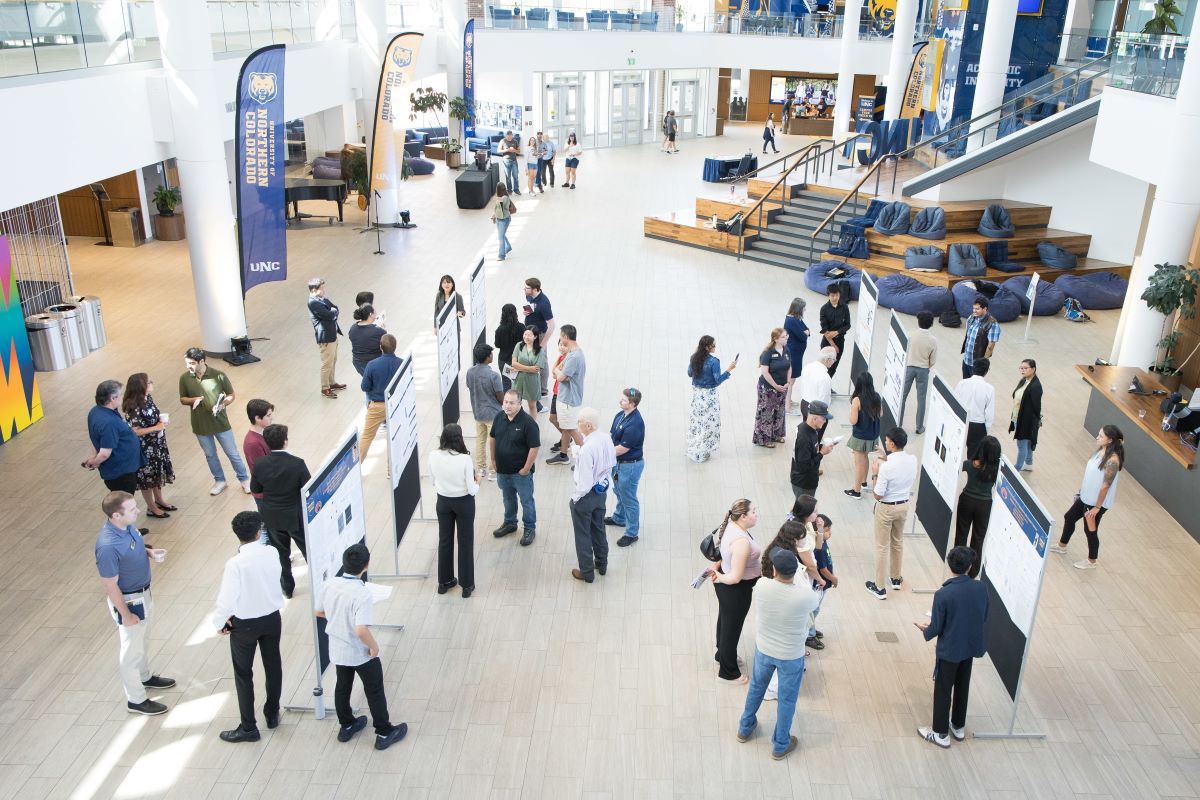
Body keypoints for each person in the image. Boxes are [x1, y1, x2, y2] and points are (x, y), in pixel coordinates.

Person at [314, 544, 408, 751]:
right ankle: (384, 731)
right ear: (366, 565)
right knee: (374, 689)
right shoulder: (362, 594)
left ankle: (347, 725)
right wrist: (374, 647)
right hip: (360, 651)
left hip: (337, 649)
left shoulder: (330, 584)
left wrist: (338, 619)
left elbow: (318, 612)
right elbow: (361, 630)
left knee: (342, 685)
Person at [735, 546, 818, 760]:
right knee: (787, 699)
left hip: (764, 649)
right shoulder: (805, 596)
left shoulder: (762, 586)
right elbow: (812, 601)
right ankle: (780, 745)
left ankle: (745, 728)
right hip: (791, 655)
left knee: (756, 688)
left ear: (774, 570)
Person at [95, 491, 174, 716]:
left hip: (143, 592)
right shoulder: (107, 546)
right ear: (116, 515)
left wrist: (148, 553)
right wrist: (126, 614)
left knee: (143, 640)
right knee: (131, 649)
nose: (138, 511)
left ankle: (145, 676)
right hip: (129, 600)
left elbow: (135, 546)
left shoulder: (127, 527)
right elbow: (110, 585)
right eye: (132, 509)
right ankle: (136, 699)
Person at [211, 510, 284, 743]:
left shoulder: (235, 563)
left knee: (244, 674)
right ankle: (272, 713)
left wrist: (219, 623)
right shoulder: (271, 552)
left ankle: (249, 727)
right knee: (273, 665)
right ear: (258, 532)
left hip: (245, 625)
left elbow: (227, 599)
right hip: (272, 618)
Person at [916, 546, 989, 748]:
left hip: (949, 650)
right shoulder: (981, 588)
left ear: (950, 566)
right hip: (970, 647)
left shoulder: (943, 594)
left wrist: (925, 629)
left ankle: (940, 733)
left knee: (943, 690)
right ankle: (958, 726)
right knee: (962, 686)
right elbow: (984, 615)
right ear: (970, 566)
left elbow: (936, 627)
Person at [1049, 424, 1124, 569]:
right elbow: (1092, 474)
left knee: (1090, 530)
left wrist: (1097, 507)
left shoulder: (1113, 460)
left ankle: (1092, 561)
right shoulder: (1100, 451)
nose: (1097, 437)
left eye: (1101, 436)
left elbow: (1105, 485)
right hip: (1085, 496)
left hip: (1095, 503)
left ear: (1110, 440)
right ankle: (1062, 545)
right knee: (1069, 517)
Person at [250, 424, 311, 598]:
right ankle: (318, 582)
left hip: (272, 516)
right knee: (308, 550)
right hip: (295, 516)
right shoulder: (297, 464)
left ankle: (288, 588)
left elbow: (255, 487)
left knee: (281, 554)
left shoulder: (260, 464)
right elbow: (308, 489)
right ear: (285, 441)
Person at [178, 348, 251, 495]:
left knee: (232, 453)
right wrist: (194, 400)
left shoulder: (218, 375)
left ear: (202, 361)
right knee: (210, 455)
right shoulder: (185, 378)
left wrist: (224, 403)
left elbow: (231, 394)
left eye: (191, 363)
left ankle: (244, 479)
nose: (188, 366)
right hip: (200, 424)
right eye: (187, 363)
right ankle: (220, 480)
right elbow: (182, 398)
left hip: (220, 422)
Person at [710, 499, 762, 684]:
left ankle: (722, 655)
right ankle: (728, 672)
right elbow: (735, 577)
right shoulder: (741, 542)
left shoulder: (731, 525)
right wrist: (719, 576)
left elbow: (725, 556)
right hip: (735, 590)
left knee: (725, 622)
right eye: (754, 512)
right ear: (743, 516)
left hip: (727, 585)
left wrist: (718, 572)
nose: (757, 514)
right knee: (732, 629)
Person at [865, 427, 918, 599]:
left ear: (893, 444)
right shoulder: (912, 460)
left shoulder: (886, 468)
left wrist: (875, 474)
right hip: (903, 506)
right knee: (897, 542)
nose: (885, 442)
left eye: (887, 440)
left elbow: (877, 494)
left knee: (881, 546)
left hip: (886, 508)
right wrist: (885, 457)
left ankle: (879, 587)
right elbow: (898, 466)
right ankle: (895, 578)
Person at [430, 424, 478, 597]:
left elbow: (432, 480)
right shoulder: (465, 459)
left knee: (444, 541)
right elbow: (472, 490)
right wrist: (478, 480)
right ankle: (466, 585)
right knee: (465, 542)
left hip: (442, 501)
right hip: (463, 503)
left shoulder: (433, 455)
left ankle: (444, 582)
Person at [569, 408, 617, 583]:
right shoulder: (606, 439)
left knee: (582, 534)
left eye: (579, 421)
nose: (577, 424)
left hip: (586, 496)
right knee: (598, 529)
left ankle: (587, 572)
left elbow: (584, 481)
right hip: (601, 492)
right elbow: (611, 463)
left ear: (588, 425)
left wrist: (575, 499)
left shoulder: (587, 448)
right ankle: (601, 564)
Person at [121, 374, 176, 519]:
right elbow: (135, 431)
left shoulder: (148, 399)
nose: (152, 383)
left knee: (156, 474)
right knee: (147, 478)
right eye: (148, 382)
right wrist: (156, 427)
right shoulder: (134, 407)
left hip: (157, 444)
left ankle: (159, 500)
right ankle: (151, 507)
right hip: (145, 448)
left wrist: (159, 422)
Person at [490, 390, 541, 547]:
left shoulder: (528, 423)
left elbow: (534, 447)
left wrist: (526, 469)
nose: (507, 405)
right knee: (507, 498)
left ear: (520, 403)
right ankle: (510, 523)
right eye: (505, 402)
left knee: (526, 500)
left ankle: (529, 528)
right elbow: (492, 437)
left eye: (511, 402)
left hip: (521, 474)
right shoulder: (499, 417)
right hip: (503, 471)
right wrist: (492, 459)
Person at [85, 380, 144, 497]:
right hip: (120, 472)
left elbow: (95, 438)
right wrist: (94, 462)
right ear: (112, 398)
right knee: (123, 504)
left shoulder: (96, 411)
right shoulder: (108, 423)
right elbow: (104, 453)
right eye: (120, 395)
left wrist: (93, 456)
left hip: (122, 468)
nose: (122, 397)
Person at [953, 436, 1001, 578]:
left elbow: (957, 467)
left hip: (967, 501)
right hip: (985, 505)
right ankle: (973, 571)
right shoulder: (997, 470)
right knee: (978, 539)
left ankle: (958, 565)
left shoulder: (970, 464)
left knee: (961, 534)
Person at [687, 335, 737, 462]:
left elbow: (689, 373)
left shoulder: (694, 358)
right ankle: (704, 450)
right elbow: (717, 380)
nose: (715, 347)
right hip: (709, 397)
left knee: (697, 422)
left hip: (697, 396)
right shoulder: (714, 362)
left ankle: (694, 447)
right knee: (709, 424)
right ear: (707, 347)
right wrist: (729, 370)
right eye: (713, 345)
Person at [606, 388, 645, 548]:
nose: (620, 402)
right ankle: (619, 518)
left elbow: (622, 448)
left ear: (633, 404)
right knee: (619, 491)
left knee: (629, 498)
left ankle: (632, 533)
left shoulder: (635, 424)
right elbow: (612, 435)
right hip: (618, 463)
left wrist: (601, 452)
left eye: (623, 400)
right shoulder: (620, 415)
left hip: (630, 466)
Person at [548, 324, 586, 465]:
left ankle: (587, 458)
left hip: (568, 400)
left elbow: (559, 376)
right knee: (566, 427)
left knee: (571, 429)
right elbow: (558, 371)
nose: (560, 339)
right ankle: (563, 455)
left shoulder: (573, 356)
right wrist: (560, 372)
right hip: (569, 398)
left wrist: (560, 373)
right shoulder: (574, 353)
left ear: (565, 336)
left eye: (560, 336)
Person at [359, 334, 402, 459]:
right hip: (395, 405)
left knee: (367, 436)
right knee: (395, 437)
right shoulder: (402, 363)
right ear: (395, 347)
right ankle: (392, 471)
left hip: (377, 406)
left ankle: (358, 466)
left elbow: (364, 387)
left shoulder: (372, 365)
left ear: (380, 347)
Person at [466, 343, 504, 481]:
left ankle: (481, 468)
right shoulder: (493, 376)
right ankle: (493, 471)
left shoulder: (470, 372)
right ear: (488, 357)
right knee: (494, 441)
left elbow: (470, 387)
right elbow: (500, 397)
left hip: (478, 412)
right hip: (493, 414)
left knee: (480, 440)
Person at [844, 372, 882, 498]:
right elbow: (880, 414)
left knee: (859, 463)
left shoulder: (857, 400)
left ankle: (856, 491)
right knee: (865, 458)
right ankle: (864, 482)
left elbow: (853, 421)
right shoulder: (877, 397)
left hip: (860, 436)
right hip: (872, 435)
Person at [752, 327, 791, 448]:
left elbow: (790, 366)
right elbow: (765, 372)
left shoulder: (786, 350)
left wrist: (788, 382)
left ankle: (776, 435)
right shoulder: (767, 353)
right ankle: (764, 438)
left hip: (782, 387)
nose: (786, 338)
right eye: (783, 337)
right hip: (768, 388)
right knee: (767, 413)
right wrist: (775, 386)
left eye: (786, 336)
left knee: (779, 412)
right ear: (776, 339)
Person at [900, 310, 937, 434]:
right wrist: (926, 366)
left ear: (918, 321)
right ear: (931, 324)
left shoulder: (910, 334)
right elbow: (933, 360)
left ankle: (898, 423)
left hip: (909, 367)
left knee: (902, 396)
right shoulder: (933, 340)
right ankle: (919, 427)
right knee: (921, 399)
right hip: (923, 369)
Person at [307, 278, 344, 399]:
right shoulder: (313, 303)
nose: (324, 290)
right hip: (326, 337)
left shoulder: (322, 299)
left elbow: (335, 307)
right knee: (327, 363)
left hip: (332, 334)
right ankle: (325, 387)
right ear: (314, 290)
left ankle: (331, 383)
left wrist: (333, 311)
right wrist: (333, 312)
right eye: (322, 288)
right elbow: (330, 313)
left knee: (333, 360)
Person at [791, 400, 834, 499]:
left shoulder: (811, 429)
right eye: (823, 418)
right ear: (814, 418)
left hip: (809, 480)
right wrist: (822, 453)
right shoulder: (804, 437)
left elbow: (810, 449)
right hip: (803, 483)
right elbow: (803, 466)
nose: (825, 421)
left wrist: (822, 447)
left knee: (802, 510)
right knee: (804, 512)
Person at [522, 277, 555, 397]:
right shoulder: (529, 295)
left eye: (527, 288)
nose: (524, 290)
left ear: (535, 289)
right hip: (530, 332)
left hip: (540, 335)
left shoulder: (544, 304)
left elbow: (552, 325)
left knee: (542, 360)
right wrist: (526, 313)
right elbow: (530, 304)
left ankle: (543, 389)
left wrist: (542, 344)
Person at [954, 357, 995, 453]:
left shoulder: (962, 383)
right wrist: (986, 430)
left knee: (955, 451)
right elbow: (989, 413)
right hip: (978, 426)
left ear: (973, 368)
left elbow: (955, 402)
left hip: (962, 420)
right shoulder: (989, 389)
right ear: (986, 371)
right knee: (974, 456)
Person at [1009, 359, 1042, 472]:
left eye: (1025, 368)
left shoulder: (1035, 387)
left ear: (1033, 369)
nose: (1022, 370)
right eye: (1021, 368)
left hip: (1025, 420)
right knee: (1027, 442)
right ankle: (1028, 463)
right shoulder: (1024, 380)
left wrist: (1034, 422)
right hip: (1018, 416)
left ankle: (1017, 468)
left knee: (1021, 443)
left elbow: (1036, 407)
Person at [243, 399, 274, 514]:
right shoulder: (253, 443)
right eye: (268, 415)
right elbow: (263, 472)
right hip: (265, 493)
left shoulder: (264, 432)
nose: (271, 418)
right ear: (257, 418)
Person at [797, 347, 836, 434]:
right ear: (828, 359)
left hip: (804, 403)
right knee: (814, 438)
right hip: (817, 410)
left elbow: (802, 386)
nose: (834, 362)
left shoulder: (808, 367)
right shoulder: (825, 377)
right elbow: (824, 399)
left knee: (805, 433)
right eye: (834, 359)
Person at [960, 295, 999, 379]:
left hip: (977, 365)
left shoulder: (992, 323)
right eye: (973, 308)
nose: (974, 311)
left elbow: (990, 346)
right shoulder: (971, 318)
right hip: (966, 360)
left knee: (975, 388)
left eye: (977, 309)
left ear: (985, 309)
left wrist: (983, 363)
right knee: (966, 384)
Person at [512, 326, 547, 417]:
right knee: (516, 403)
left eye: (529, 335)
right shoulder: (519, 345)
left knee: (532, 405)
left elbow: (537, 369)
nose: (526, 337)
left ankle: (532, 426)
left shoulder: (540, 350)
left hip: (532, 381)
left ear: (535, 337)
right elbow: (514, 363)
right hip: (518, 379)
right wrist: (529, 368)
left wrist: (520, 368)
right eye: (525, 334)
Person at [819, 283, 851, 381]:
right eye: (832, 295)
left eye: (837, 295)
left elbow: (848, 325)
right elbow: (825, 330)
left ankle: (827, 384)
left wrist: (837, 332)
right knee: (823, 365)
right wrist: (833, 346)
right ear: (828, 295)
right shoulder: (824, 309)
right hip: (827, 342)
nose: (835, 298)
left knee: (834, 366)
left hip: (840, 340)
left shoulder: (845, 307)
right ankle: (820, 383)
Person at [783, 298, 809, 414]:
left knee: (792, 380)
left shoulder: (796, 319)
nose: (805, 310)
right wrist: (806, 333)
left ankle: (788, 400)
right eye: (803, 308)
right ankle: (787, 407)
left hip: (797, 354)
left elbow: (807, 329)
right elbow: (803, 336)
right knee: (791, 380)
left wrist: (806, 332)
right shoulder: (791, 321)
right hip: (793, 354)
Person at [348, 303, 386, 377]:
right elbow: (386, 346)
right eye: (375, 312)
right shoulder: (377, 331)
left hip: (358, 363)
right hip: (374, 364)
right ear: (371, 314)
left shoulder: (353, 328)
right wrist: (383, 330)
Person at [494, 303, 525, 392]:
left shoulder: (499, 330)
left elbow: (497, 345)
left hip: (505, 361)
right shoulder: (521, 327)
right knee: (518, 383)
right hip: (518, 361)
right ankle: (518, 403)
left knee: (506, 383)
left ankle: (507, 403)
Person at [492, 185, 516, 261]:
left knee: (501, 237)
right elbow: (497, 209)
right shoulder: (500, 197)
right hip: (499, 219)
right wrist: (494, 215)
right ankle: (508, 247)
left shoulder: (505, 198)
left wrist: (497, 199)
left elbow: (501, 208)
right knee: (501, 235)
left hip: (504, 220)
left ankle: (501, 255)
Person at [498, 130, 521, 194]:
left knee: (515, 176)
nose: (510, 137)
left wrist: (514, 150)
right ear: (506, 135)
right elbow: (498, 151)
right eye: (508, 136)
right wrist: (507, 150)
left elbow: (519, 151)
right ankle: (509, 190)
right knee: (508, 177)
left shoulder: (515, 141)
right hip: (506, 161)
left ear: (512, 135)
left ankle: (516, 190)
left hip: (514, 161)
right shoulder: (503, 141)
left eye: (511, 135)